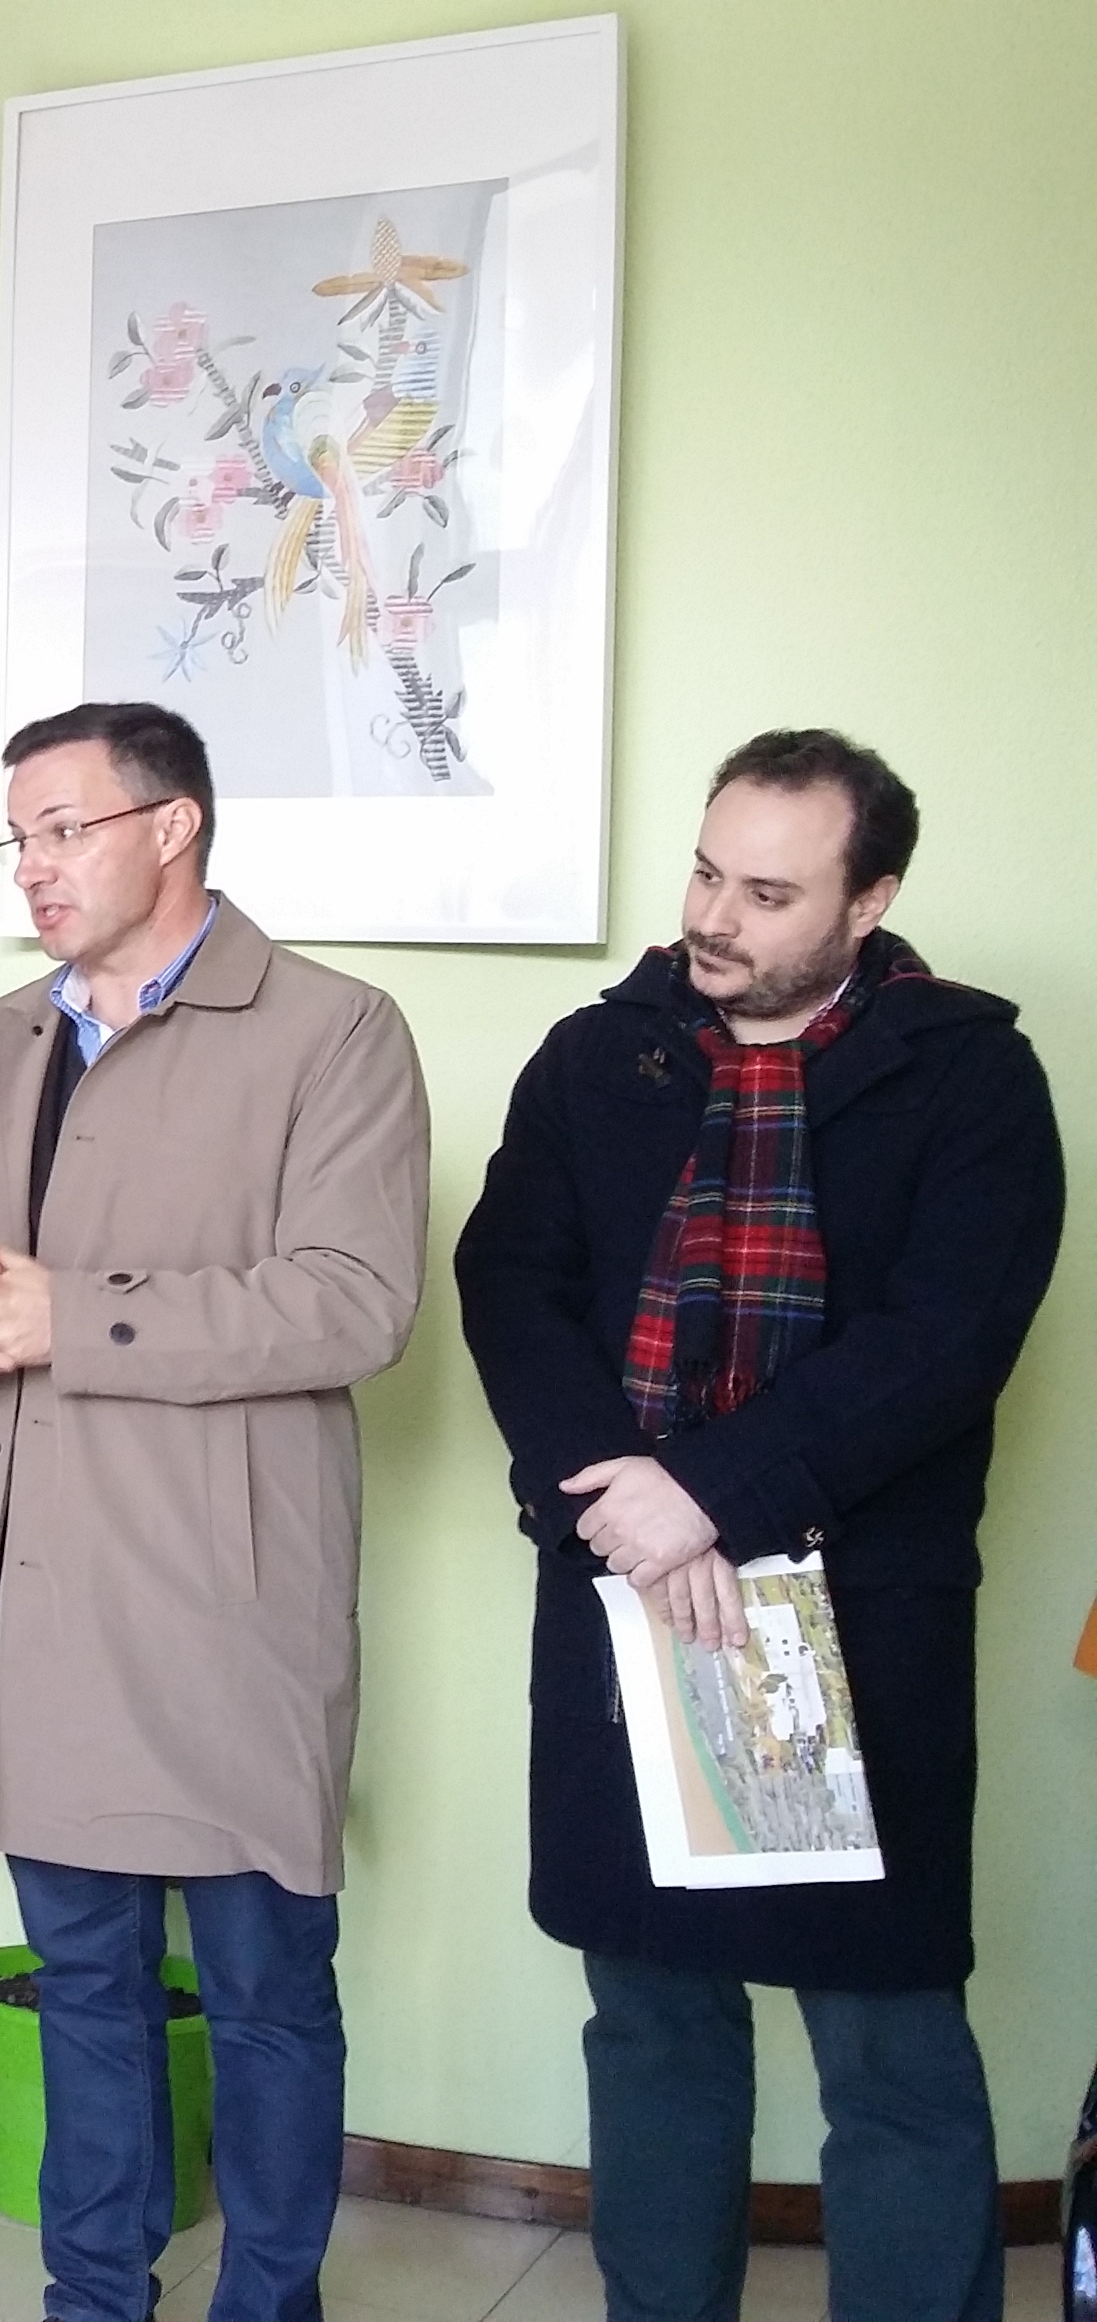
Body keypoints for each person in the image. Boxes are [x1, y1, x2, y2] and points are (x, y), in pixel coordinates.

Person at [454, 732, 1058, 2322]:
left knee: (890, 2041)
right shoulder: (599, 1056)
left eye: (770, 892)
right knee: (652, 2015)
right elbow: (510, 1278)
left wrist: (708, 1491)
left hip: (858, 1614)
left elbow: (946, 1339)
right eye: (707, 870)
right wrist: (622, 1490)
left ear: (871, 900)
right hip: (627, 1588)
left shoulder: (971, 1075)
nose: (715, 916)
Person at [0, 702, 427, 2322]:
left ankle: (271, 2298)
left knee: (264, 1995)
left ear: (172, 824)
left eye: (63, 828)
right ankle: (91, 2294)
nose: (32, 865)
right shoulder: (2, 1036)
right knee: (85, 1990)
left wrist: (73, 1316)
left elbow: (351, 1300)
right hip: (31, 1593)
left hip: (221, 1606)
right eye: (19, 837)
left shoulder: (332, 1030)